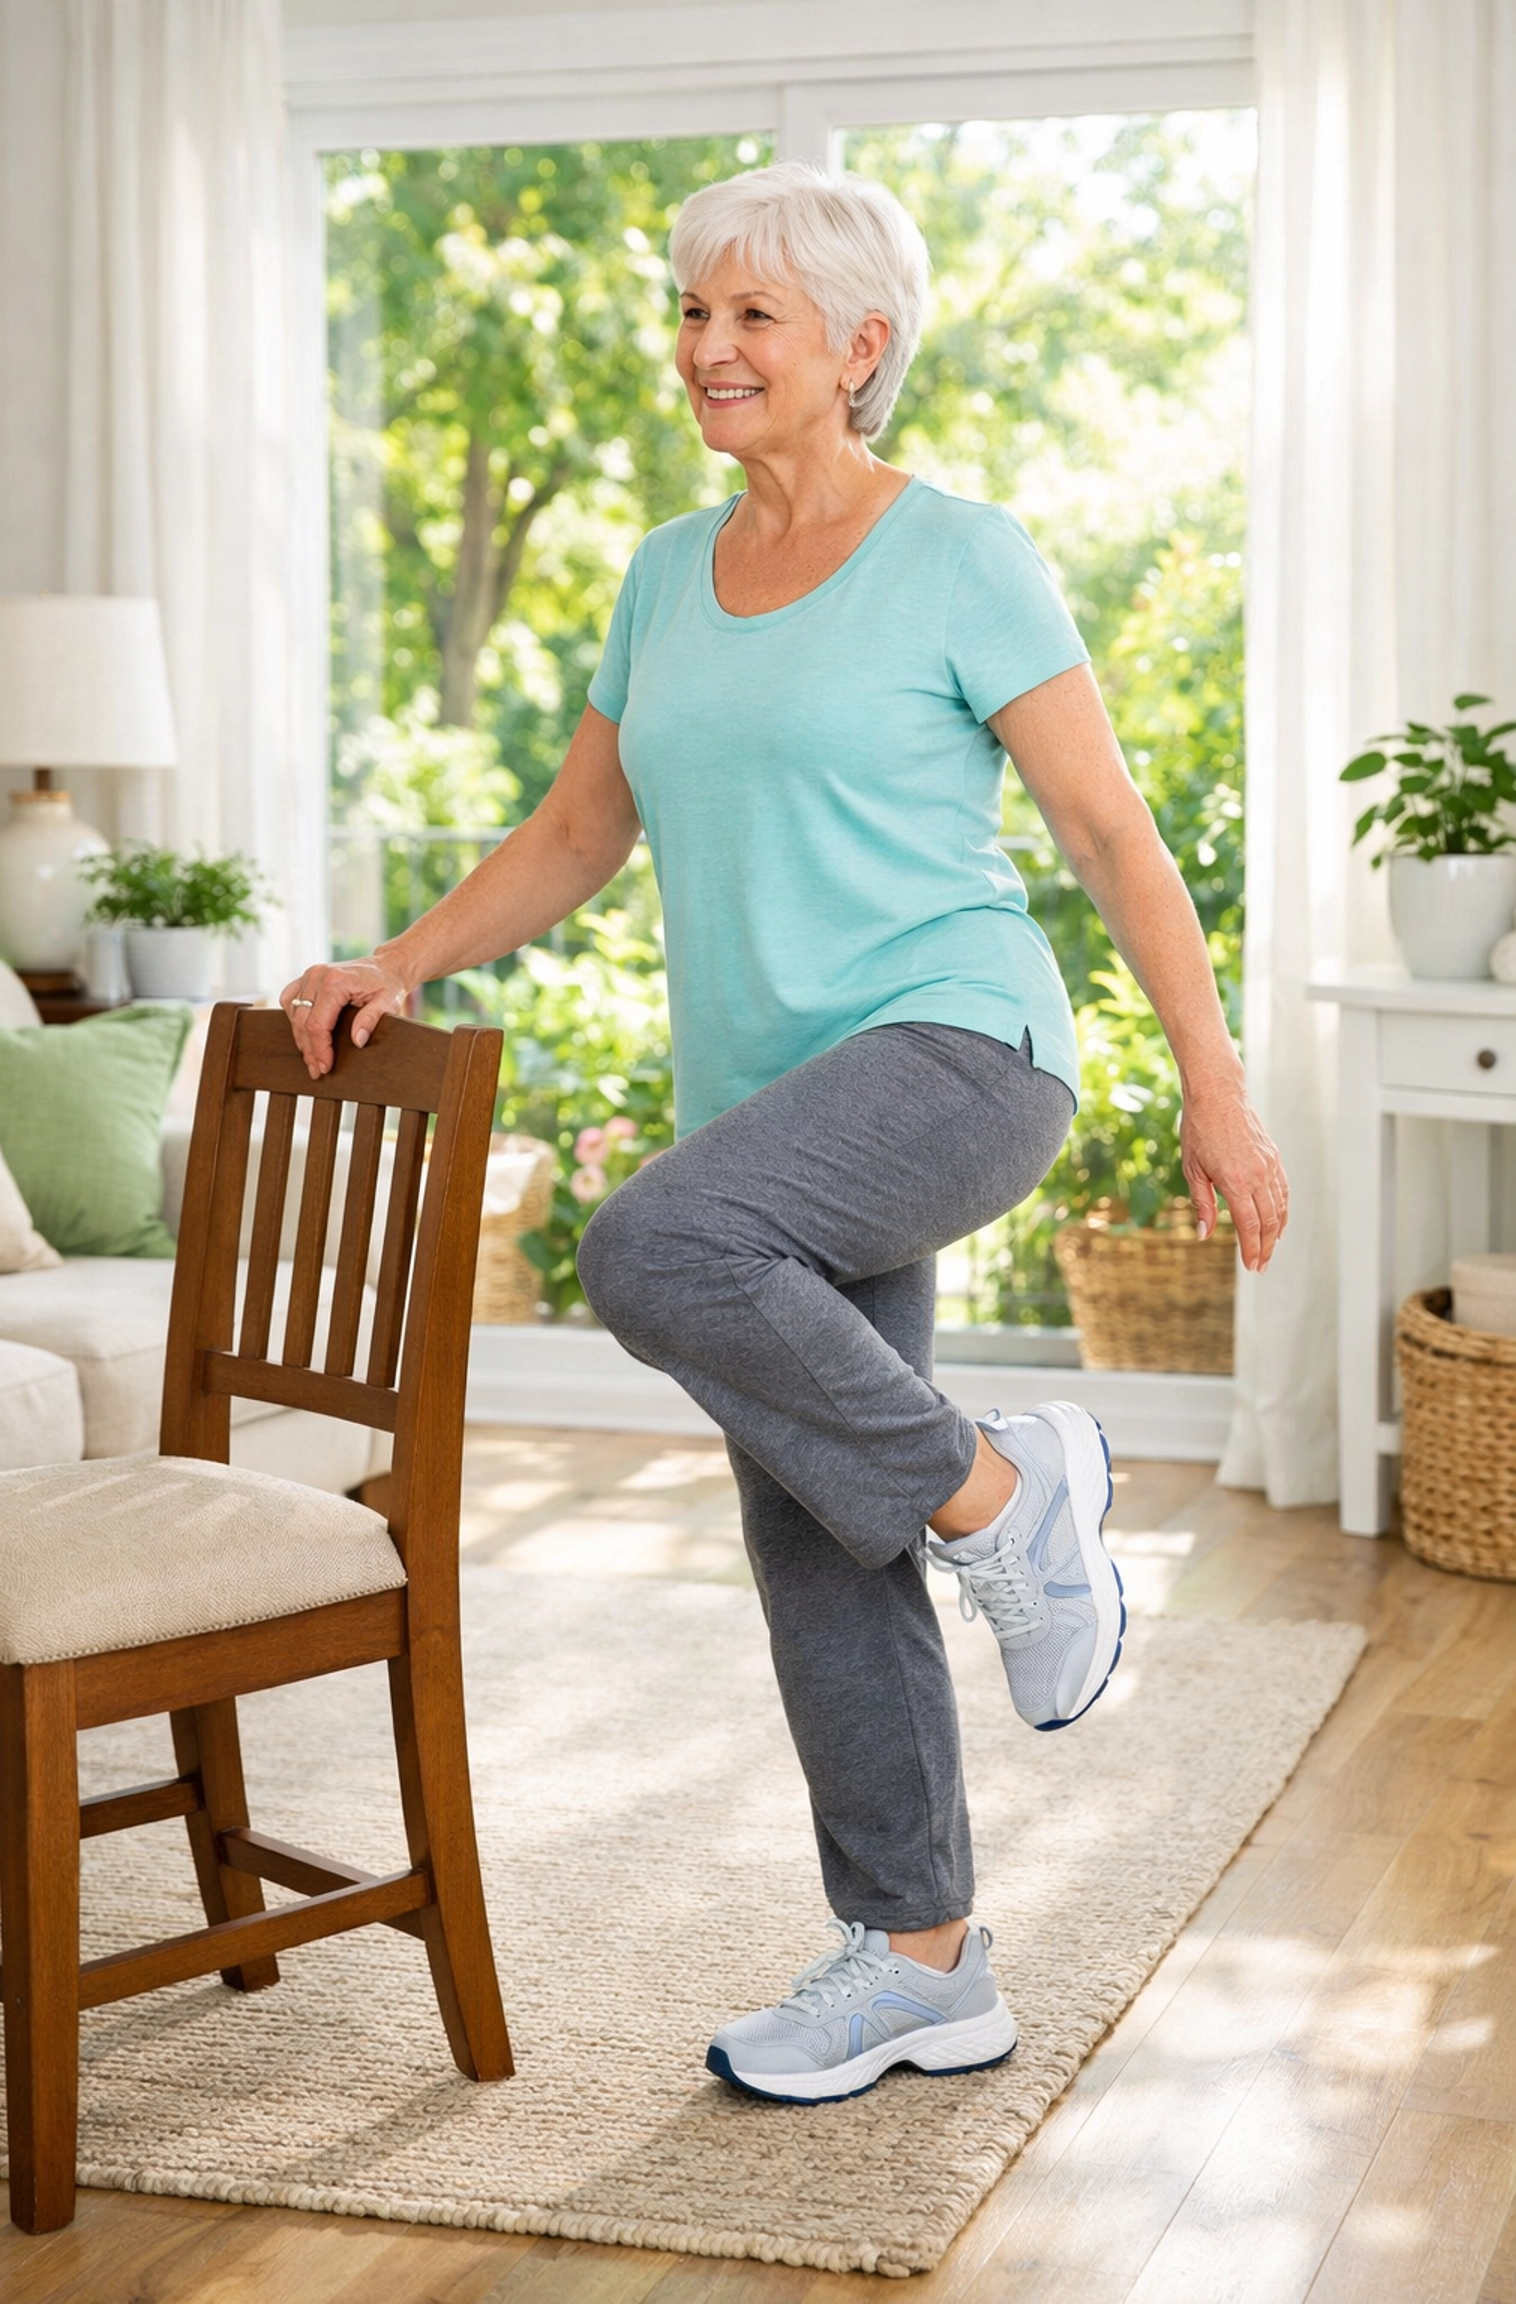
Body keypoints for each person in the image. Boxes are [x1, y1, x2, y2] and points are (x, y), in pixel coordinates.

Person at [284, 160, 1288, 2107]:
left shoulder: (962, 555)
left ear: (859, 349)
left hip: (959, 1047)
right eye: (691, 310)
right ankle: (921, 1956)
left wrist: (1215, 1080)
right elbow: (585, 831)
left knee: (650, 1248)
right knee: (826, 1525)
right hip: (772, 1106)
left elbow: (1107, 835)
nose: (708, 347)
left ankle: (1012, 1492)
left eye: (754, 315)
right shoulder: (666, 575)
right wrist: (394, 959)